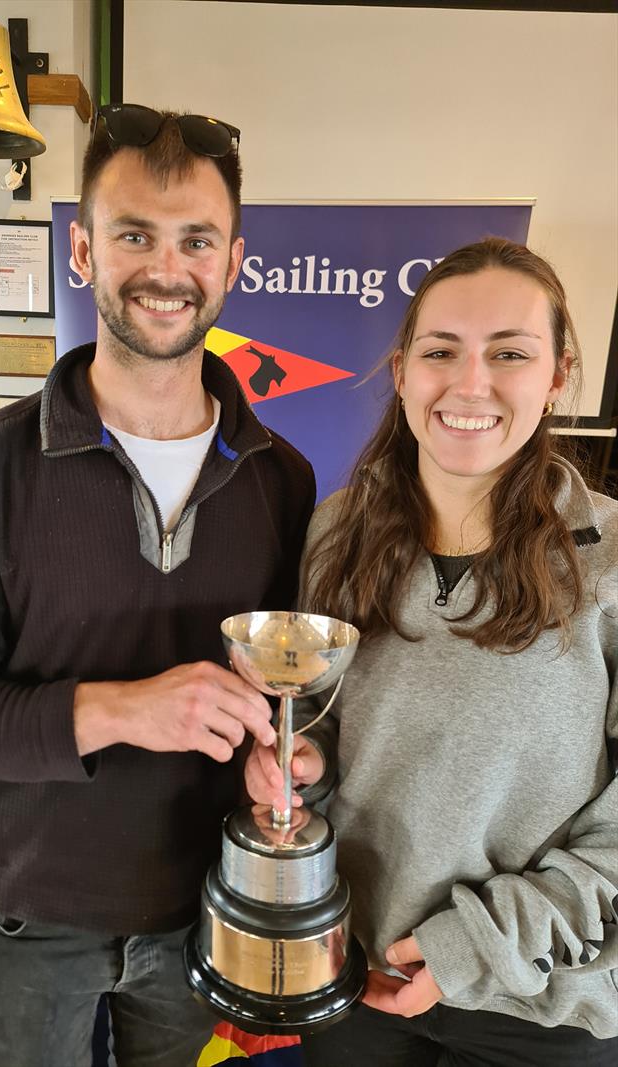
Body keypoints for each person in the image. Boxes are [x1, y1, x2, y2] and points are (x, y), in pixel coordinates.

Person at [0, 104, 315, 1067]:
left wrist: (285, 756)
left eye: (195, 239)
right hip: (28, 919)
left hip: (205, 914)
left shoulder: (281, 476)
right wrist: (124, 708)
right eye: (134, 234)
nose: (167, 269)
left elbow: (289, 698)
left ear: (233, 259)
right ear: (82, 250)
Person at [245, 238, 618, 1065]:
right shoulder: (337, 529)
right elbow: (319, 716)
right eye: (440, 350)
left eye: (509, 353)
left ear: (557, 374)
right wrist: (299, 758)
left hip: (540, 995)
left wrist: (471, 950)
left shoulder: (612, 558)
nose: (469, 382)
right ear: (404, 370)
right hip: (359, 968)